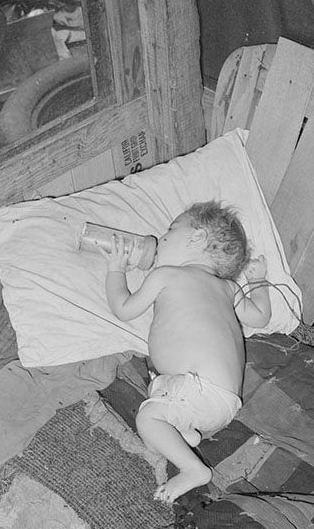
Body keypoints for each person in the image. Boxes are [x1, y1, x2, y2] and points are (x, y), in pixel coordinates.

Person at [105, 202, 272, 502]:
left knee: (147, 421)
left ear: (195, 239)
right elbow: (260, 317)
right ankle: (184, 435)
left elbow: (123, 308)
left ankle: (194, 469)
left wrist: (115, 269)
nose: (162, 237)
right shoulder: (229, 288)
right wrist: (258, 281)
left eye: (170, 231)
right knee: (158, 430)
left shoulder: (166, 275)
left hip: (197, 388)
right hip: (225, 402)